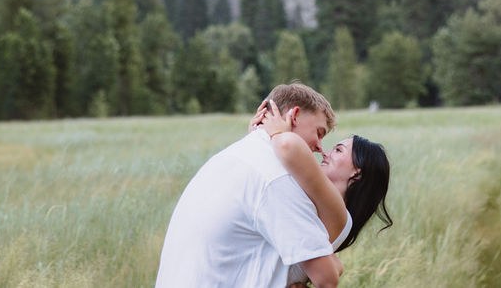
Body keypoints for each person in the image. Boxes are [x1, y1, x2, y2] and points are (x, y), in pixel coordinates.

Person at [155, 83, 342, 288]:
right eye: (319, 132)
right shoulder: (275, 178)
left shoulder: (232, 156)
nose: (319, 147)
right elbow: (327, 278)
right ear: (294, 115)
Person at [252, 100, 392, 286]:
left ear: (356, 172)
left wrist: (276, 132)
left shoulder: (336, 212)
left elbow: (286, 148)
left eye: (338, 150)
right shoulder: (317, 204)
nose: (324, 152)